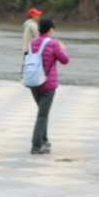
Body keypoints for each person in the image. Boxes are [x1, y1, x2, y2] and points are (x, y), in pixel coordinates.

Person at [26, 17, 68, 155]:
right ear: (50, 29)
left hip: (33, 82)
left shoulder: (33, 42)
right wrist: (62, 48)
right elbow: (65, 60)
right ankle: (36, 146)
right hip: (47, 84)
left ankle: (44, 140)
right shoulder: (53, 43)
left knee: (42, 113)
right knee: (42, 115)